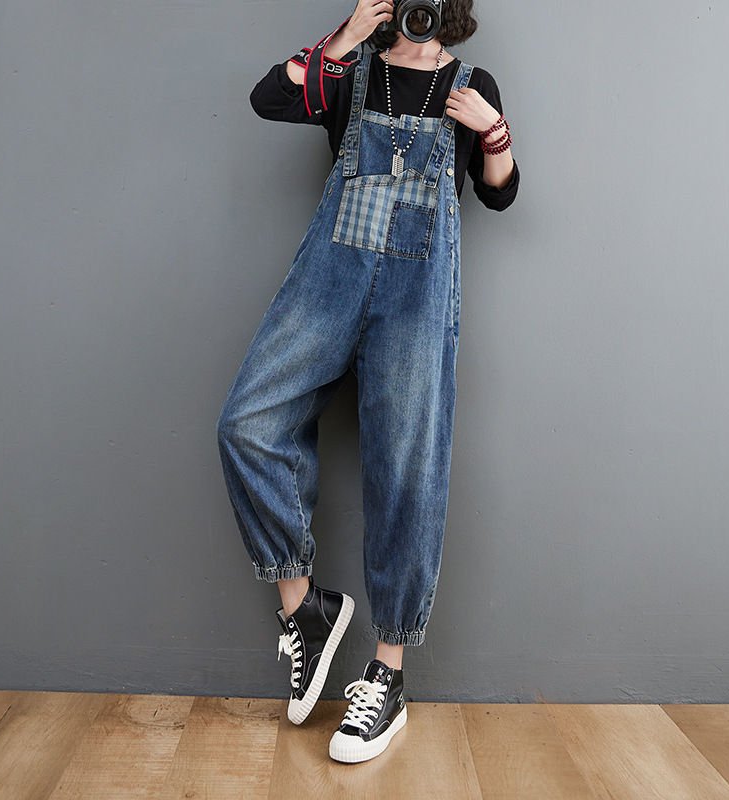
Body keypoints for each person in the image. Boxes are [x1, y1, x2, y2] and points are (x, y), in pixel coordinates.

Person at [217, 0, 519, 763]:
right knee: (247, 423)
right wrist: (347, 36)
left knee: (407, 472)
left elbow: (500, 191)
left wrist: (493, 131)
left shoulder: (472, 83)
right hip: (329, 287)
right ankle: (307, 609)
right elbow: (269, 98)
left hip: (415, 302)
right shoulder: (349, 73)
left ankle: (388, 676)